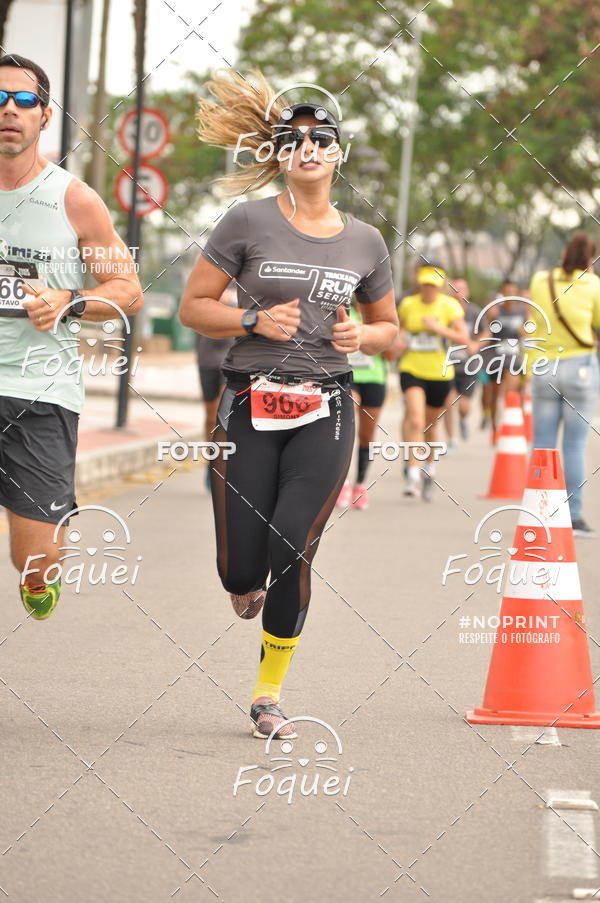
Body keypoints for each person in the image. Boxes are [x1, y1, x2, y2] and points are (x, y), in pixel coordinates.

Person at [180, 71, 398, 738]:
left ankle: (267, 695)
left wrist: (363, 335)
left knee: (292, 543)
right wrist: (250, 320)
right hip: (250, 403)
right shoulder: (246, 221)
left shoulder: (366, 241)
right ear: (277, 154)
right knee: (240, 569)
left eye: (320, 138)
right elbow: (193, 307)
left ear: (338, 153)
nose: (307, 146)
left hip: (327, 404)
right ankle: (244, 580)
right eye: (293, 139)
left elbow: (390, 329)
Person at [0, 54, 142, 618]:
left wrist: (71, 301)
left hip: (41, 392)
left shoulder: (73, 199)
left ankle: (38, 578)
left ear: (45, 114)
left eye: (24, 100)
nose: (9, 109)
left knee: (37, 558)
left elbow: (127, 288)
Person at [529, 230, 600, 537]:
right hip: (580, 368)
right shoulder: (594, 285)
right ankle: (572, 516)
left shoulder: (539, 281)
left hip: (545, 366)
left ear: (563, 254)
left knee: (542, 444)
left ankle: (537, 511)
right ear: (590, 259)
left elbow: (532, 322)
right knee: (574, 445)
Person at [395, 263, 468, 499]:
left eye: (433, 287)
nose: (429, 291)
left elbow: (462, 338)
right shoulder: (408, 305)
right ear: (420, 285)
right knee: (415, 419)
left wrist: (438, 328)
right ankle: (413, 473)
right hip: (411, 368)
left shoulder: (450, 306)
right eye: (425, 286)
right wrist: (401, 341)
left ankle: (429, 466)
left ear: (440, 288)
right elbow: (399, 331)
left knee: (430, 425)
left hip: (439, 373)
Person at [336, 302, 388, 511]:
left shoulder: (381, 316)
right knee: (347, 427)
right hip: (349, 376)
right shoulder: (344, 310)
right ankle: (342, 484)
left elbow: (391, 353)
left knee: (367, 435)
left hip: (375, 378)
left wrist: (376, 340)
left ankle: (360, 484)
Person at [195, 284, 235, 486]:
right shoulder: (210, 276)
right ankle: (210, 462)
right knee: (210, 416)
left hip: (231, 359)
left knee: (223, 414)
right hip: (207, 359)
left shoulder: (247, 279)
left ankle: (223, 467)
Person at [484, 281, 525, 438]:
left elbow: (528, 330)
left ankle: (511, 424)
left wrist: (524, 331)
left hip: (514, 355)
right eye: (507, 292)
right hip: (496, 356)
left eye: (513, 292)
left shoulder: (521, 311)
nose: (510, 296)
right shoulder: (495, 311)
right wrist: (490, 317)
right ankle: (495, 428)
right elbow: (485, 331)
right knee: (495, 394)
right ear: (502, 293)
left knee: (511, 389)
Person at [445, 276, 479, 441]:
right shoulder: (445, 310)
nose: (459, 294)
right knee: (447, 404)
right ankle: (451, 438)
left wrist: (475, 345)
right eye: (455, 290)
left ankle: (463, 419)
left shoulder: (475, 312)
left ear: (468, 292)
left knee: (464, 406)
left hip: (468, 365)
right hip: (448, 364)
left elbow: (487, 332)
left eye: (462, 289)